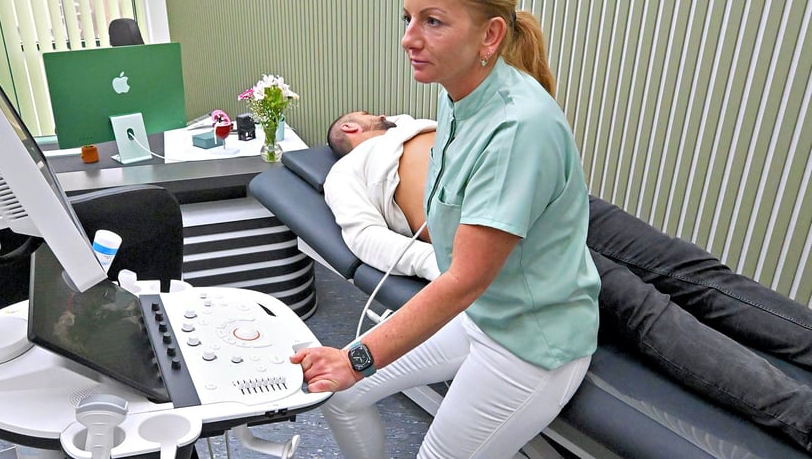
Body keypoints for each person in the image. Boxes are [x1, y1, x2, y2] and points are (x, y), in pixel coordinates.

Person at [324, 111, 812, 452]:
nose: (383, 115)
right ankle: (800, 415)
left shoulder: (421, 120)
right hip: (502, 234)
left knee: (693, 271)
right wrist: (450, 267)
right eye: (371, 115)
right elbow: (367, 240)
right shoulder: (348, 170)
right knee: (647, 312)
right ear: (351, 127)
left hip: (561, 199)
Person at [291, 0, 601, 458]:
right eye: (408, 18)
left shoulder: (518, 128)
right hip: (484, 313)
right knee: (339, 398)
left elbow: (462, 280)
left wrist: (357, 356)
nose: (410, 38)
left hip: (529, 341)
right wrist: (351, 367)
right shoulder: (456, 92)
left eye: (433, 21)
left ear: (490, 35)